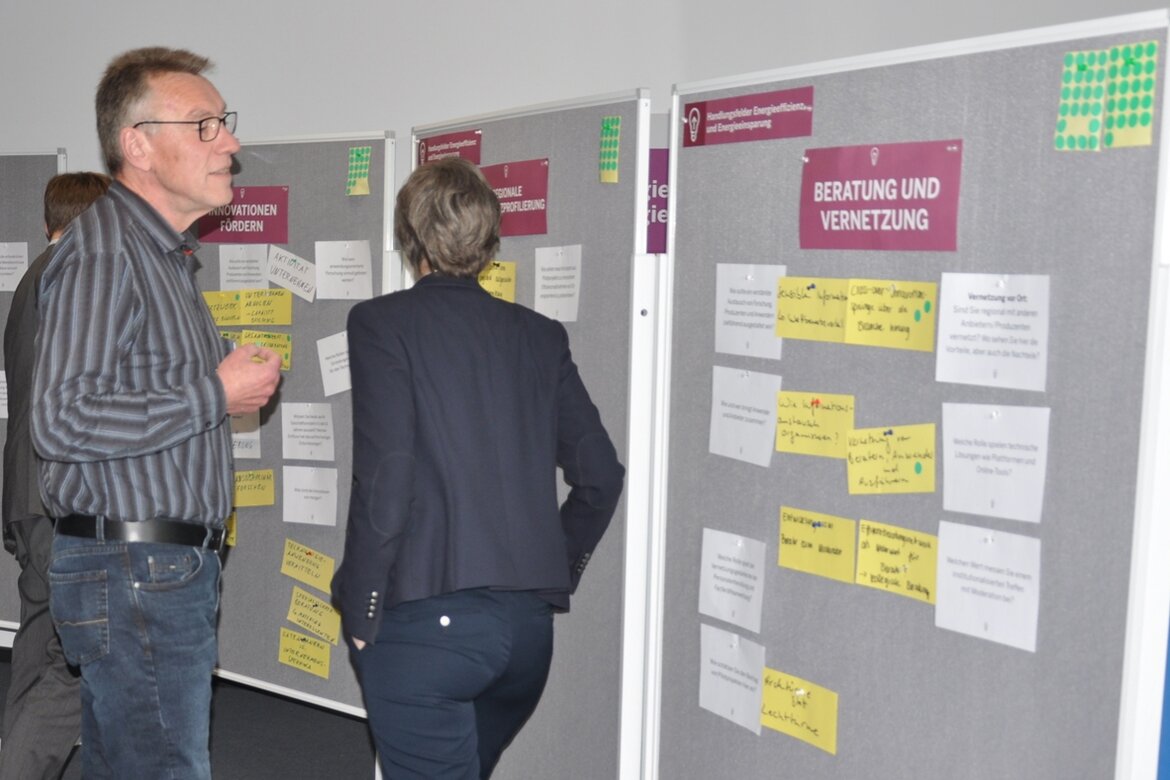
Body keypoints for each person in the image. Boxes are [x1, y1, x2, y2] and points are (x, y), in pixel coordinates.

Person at [29, 47, 282, 779]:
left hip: (153, 569)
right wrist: (215, 393)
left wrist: (222, 379)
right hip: (136, 568)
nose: (229, 143)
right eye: (204, 126)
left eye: (223, 124)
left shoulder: (160, 256)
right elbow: (60, 421)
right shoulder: (108, 254)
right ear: (137, 144)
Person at [333, 156, 625, 779]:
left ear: (408, 238)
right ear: (490, 244)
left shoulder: (381, 324)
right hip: (525, 639)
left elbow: (386, 479)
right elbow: (600, 475)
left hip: (423, 629)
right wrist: (548, 574)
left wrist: (359, 607)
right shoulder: (540, 336)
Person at [0, 171, 110, 780]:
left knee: (37, 648)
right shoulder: (75, 282)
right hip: (59, 499)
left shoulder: (31, 279)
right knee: (72, 662)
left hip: (25, 494)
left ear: (49, 221)